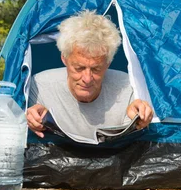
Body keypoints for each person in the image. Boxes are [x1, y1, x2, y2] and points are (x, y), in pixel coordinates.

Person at [26, 10, 154, 140]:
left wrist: (140, 121)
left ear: (108, 63)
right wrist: (32, 119)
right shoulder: (39, 87)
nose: (87, 79)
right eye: (79, 68)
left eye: (96, 69)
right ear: (64, 59)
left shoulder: (129, 88)